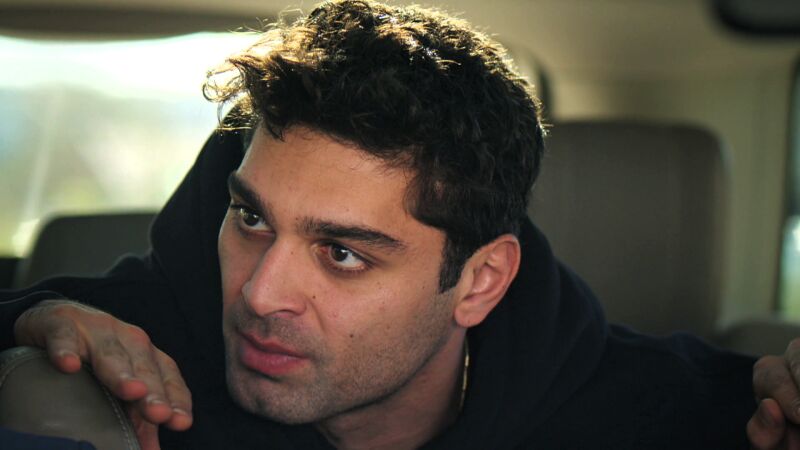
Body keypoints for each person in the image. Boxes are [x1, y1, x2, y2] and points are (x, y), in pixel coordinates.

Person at [0, 0, 796, 448]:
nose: (261, 293)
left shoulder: (662, 417)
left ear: (480, 282)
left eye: (343, 253)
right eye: (251, 217)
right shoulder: (136, 342)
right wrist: (26, 320)